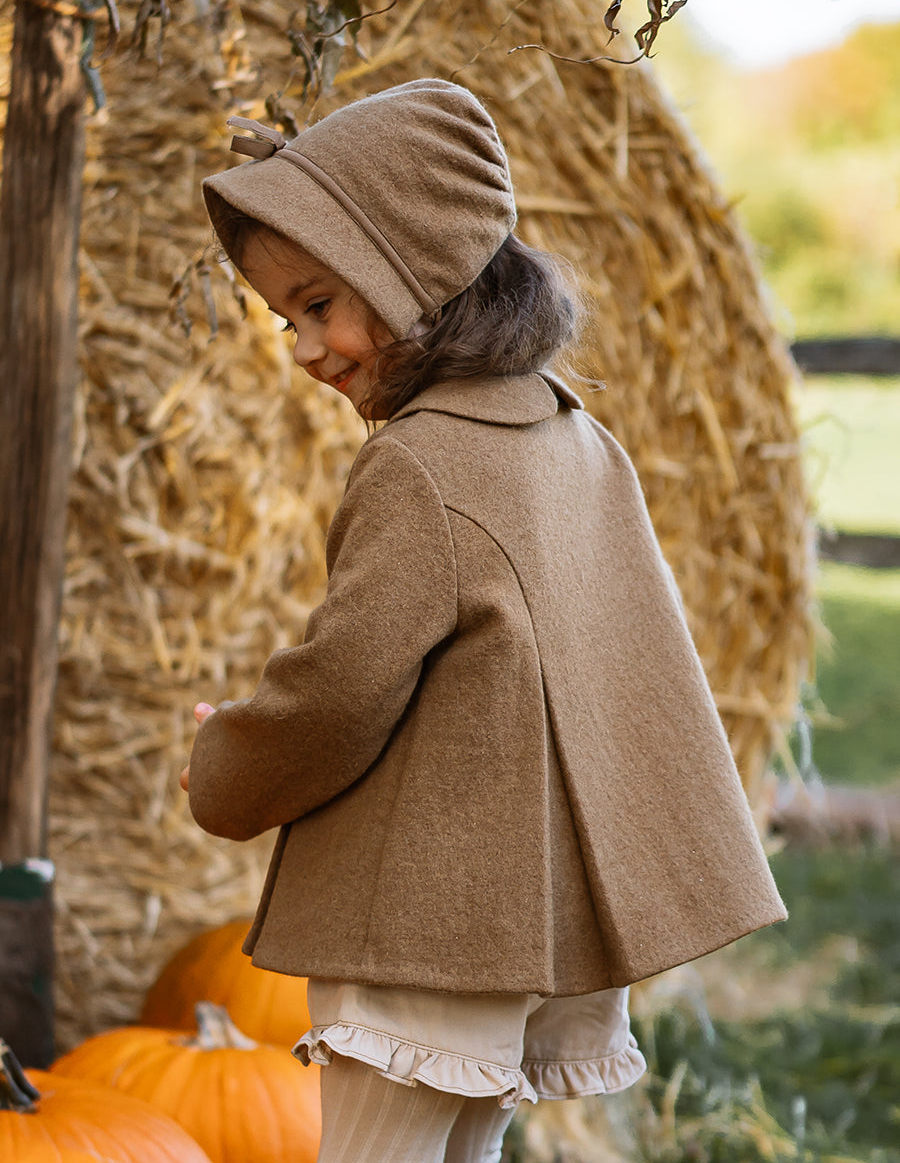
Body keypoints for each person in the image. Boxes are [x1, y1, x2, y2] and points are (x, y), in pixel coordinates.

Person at [182, 79, 786, 1163]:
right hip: (526, 923)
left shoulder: (419, 462)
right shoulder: (573, 437)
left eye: (319, 303)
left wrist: (227, 759)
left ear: (415, 269)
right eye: (286, 318)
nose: (304, 347)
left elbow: (342, 689)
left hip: (422, 917)